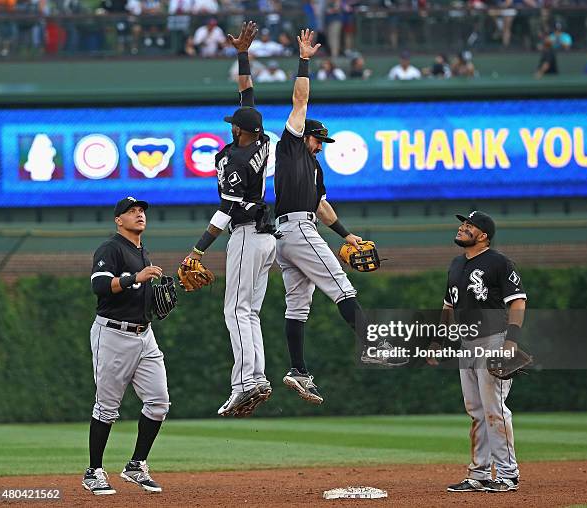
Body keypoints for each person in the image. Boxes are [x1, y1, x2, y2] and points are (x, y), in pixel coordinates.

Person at [274, 29, 391, 405]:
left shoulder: (313, 167)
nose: (320, 146)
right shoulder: (292, 148)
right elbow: (300, 99)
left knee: (297, 305)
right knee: (342, 286)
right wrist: (304, 60)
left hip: (292, 232)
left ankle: (298, 370)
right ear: (304, 135)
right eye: (318, 140)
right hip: (296, 228)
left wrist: (346, 234)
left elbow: (322, 206)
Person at [180, 21, 276, 417]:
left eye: (233, 124)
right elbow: (247, 96)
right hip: (268, 237)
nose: (231, 125)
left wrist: (197, 248)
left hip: (246, 232)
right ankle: (258, 377)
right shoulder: (263, 140)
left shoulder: (235, 159)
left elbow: (227, 209)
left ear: (240, 131)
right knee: (249, 311)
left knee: (234, 310)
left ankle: (244, 384)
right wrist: (242, 53)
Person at [429, 211, 527, 493]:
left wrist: (512, 340)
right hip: (466, 343)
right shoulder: (456, 264)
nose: (462, 227)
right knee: (476, 411)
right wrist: (438, 340)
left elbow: (518, 301)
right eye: (463, 223)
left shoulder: (498, 262)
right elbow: (449, 306)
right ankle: (479, 474)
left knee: (494, 408)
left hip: (493, 341)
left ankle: (508, 474)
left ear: (483, 235)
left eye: (469, 225)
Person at [83, 197, 171, 495]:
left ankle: (136, 465)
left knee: (159, 403)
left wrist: (156, 300)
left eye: (142, 211)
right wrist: (136, 277)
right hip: (113, 335)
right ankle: (93, 471)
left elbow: (137, 290)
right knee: (107, 407)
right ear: (118, 220)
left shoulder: (141, 252)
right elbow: (99, 285)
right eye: (132, 211)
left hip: (144, 335)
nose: (139, 214)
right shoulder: (111, 248)